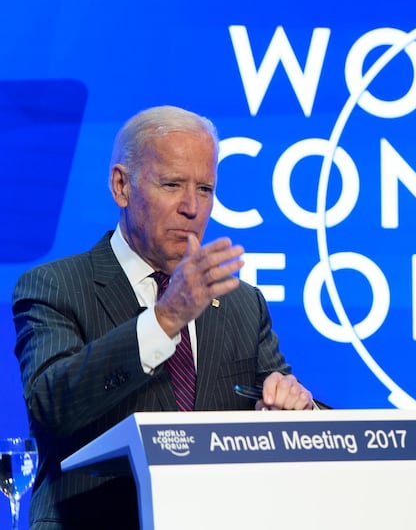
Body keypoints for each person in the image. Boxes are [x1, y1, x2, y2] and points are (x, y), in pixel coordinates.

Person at [12, 105, 315, 529]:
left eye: (205, 189)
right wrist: (165, 317)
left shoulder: (243, 304)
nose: (191, 207)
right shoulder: (55, 286)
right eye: (172, 184)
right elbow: (52, 407)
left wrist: (295, 409)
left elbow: (288, 406)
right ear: (121, 186)